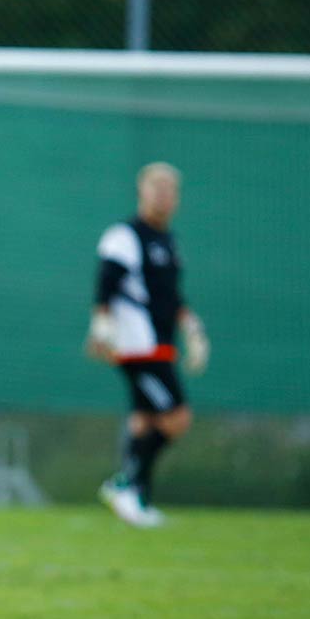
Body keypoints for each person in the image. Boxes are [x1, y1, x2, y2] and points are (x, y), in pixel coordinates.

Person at [85, 162, 210, 528]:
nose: (163, 196)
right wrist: (102, 326)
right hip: (137, 345)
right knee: (176, 417)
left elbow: (169, 295)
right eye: (156, 189)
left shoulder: (169, 242)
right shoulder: (124, 235)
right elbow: (106, 283)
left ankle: (138, 499)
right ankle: (123, 485)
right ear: (141, 191)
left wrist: (190, 326)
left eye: (169, 190)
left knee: (144, 422)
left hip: (161, 343)